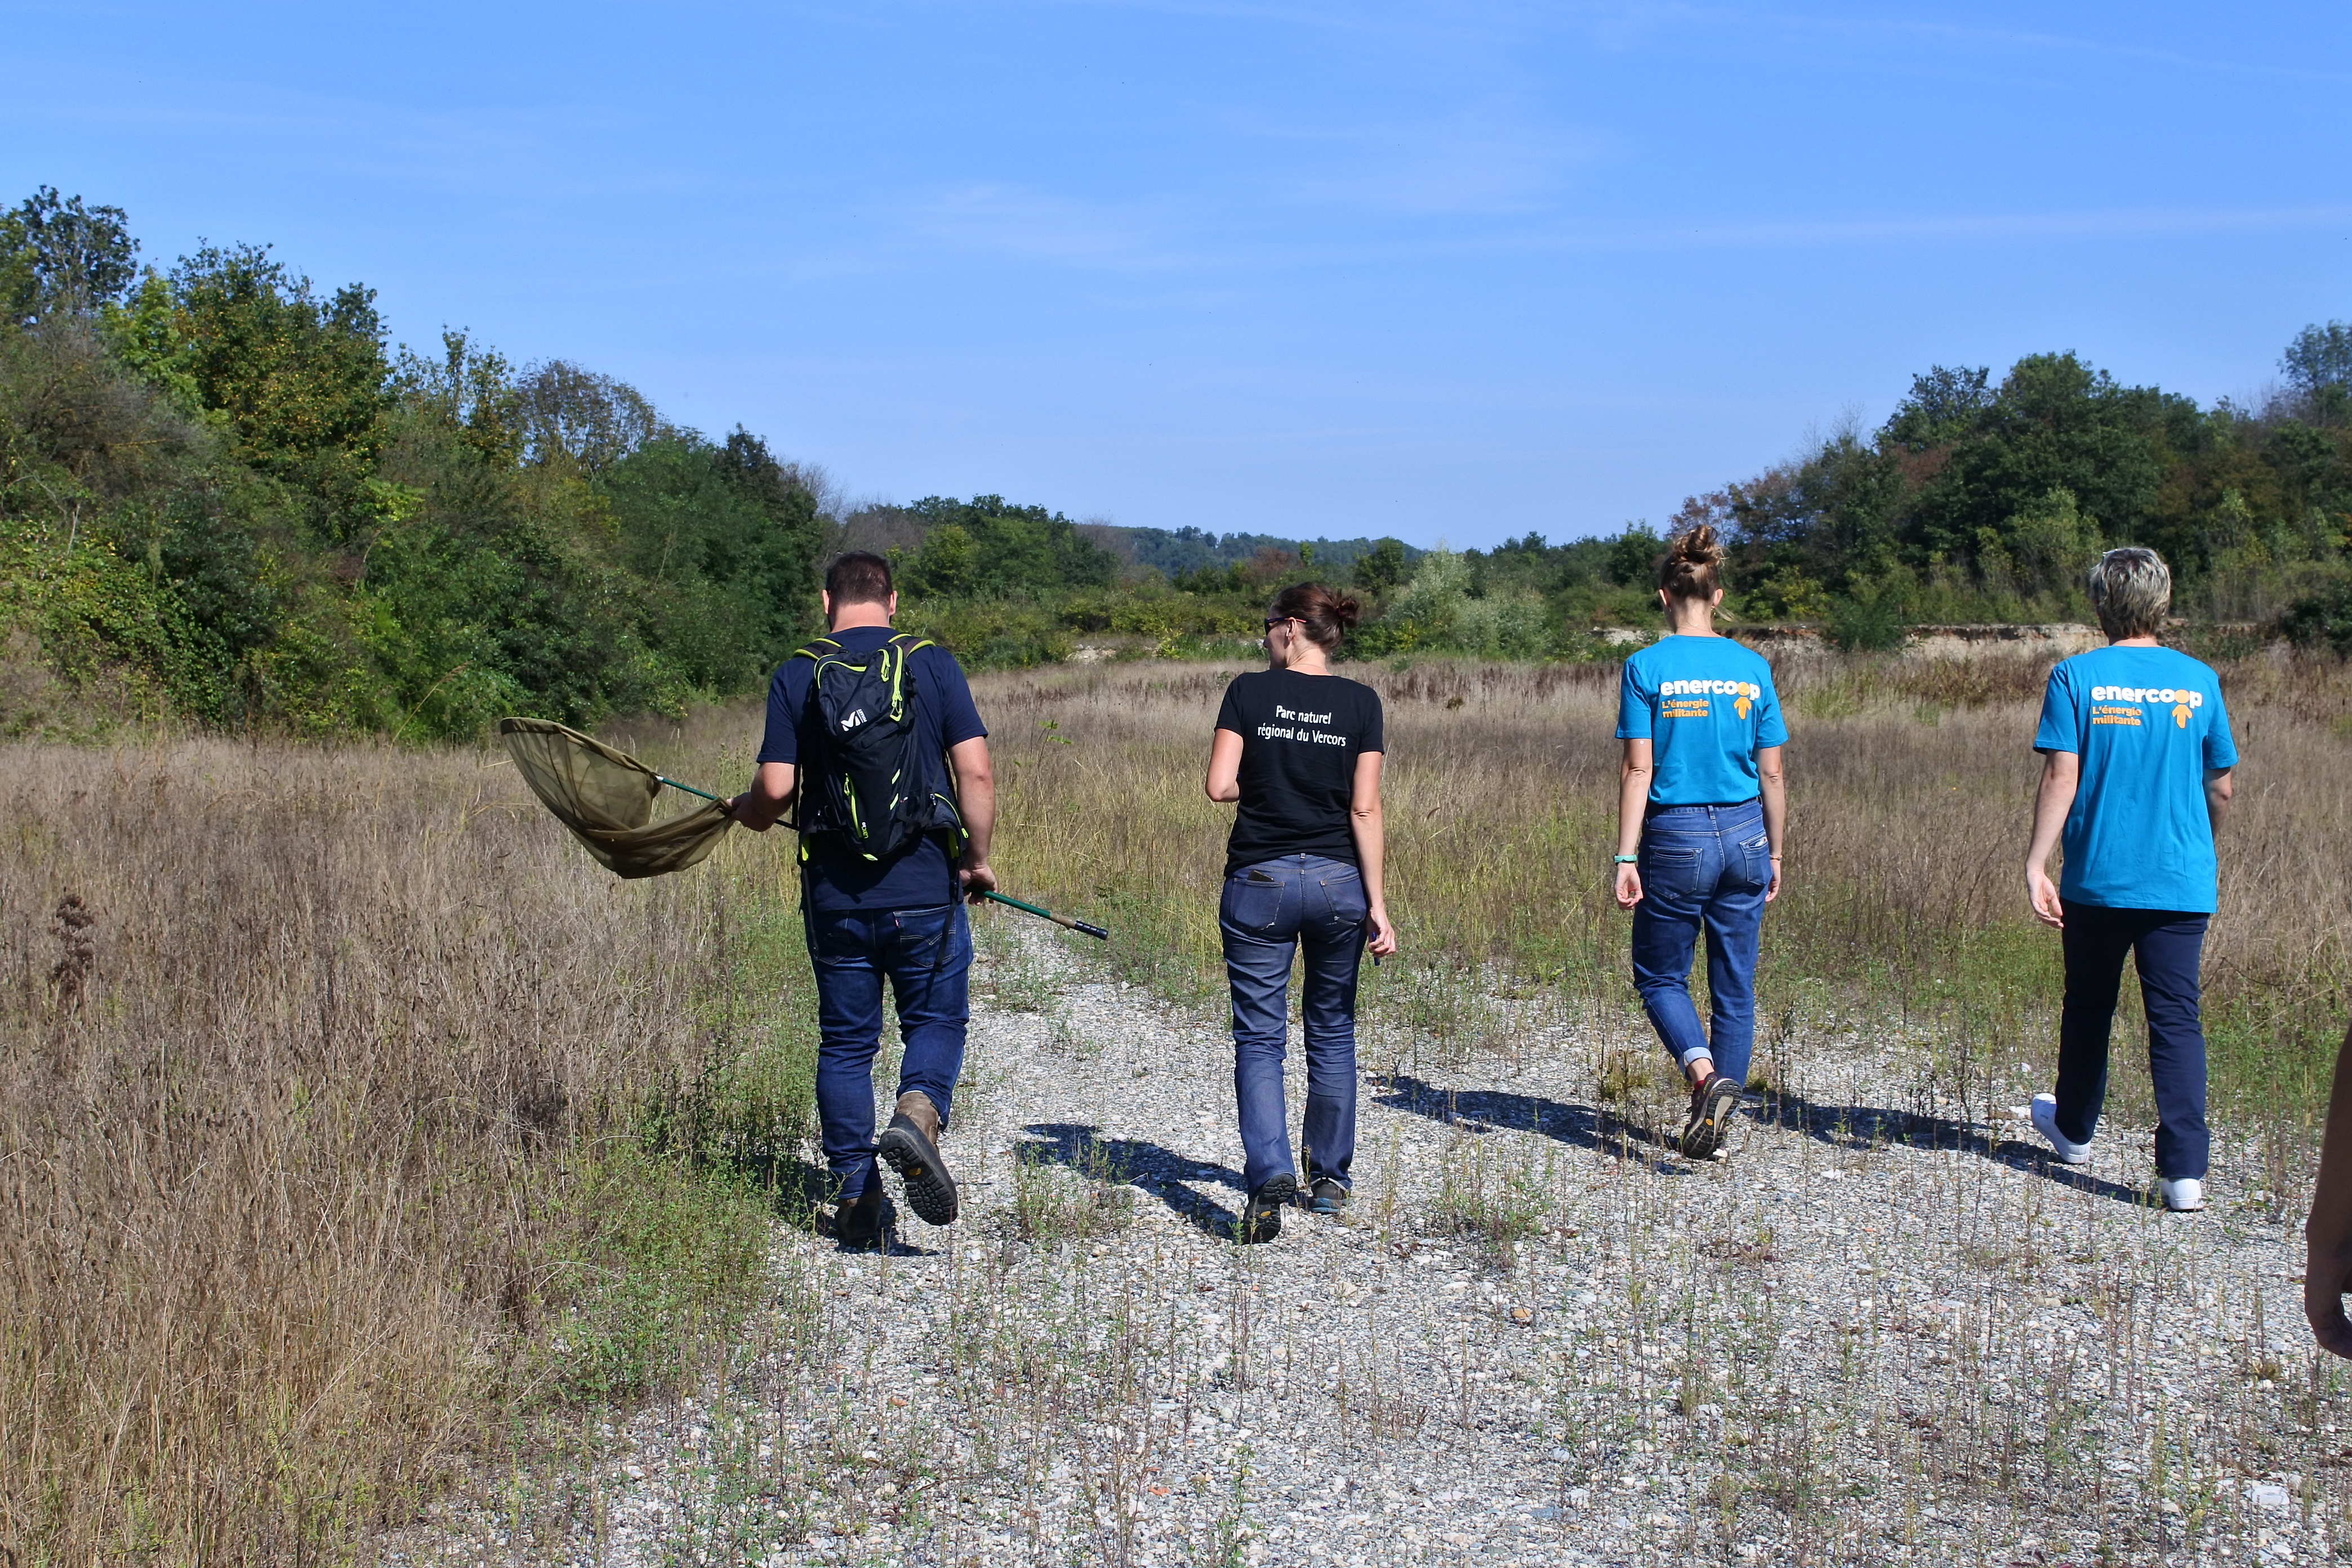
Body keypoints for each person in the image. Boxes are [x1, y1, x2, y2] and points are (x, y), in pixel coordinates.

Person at [727, 551, 997, 1245]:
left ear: (826, 602)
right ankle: (917, 1111)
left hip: (836, 897)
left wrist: (741, 810)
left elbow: (777, 790)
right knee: (936, 1020)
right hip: (924, 889)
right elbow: (977, 773)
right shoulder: (932, 664)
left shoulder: (796, 671)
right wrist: (976, 858)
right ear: (892, 600)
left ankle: (857, 1198)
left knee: (846, 1044)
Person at [2023, 546, 2235, 1213]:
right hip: (2180, 882)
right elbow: (2221, 787)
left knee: (2089, 1005)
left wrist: (2036, 863)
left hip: (2098, 881)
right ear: (2162, 601)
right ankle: (2184, 1174)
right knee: (2176, 1021)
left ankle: (2076, 1129)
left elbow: (2063, 774)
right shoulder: (2200, 679)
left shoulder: (2075, 676)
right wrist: (2200, 846)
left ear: (2100, 605)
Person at [1203, 582, 1397, 1242]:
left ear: (1291, 628)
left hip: (1260, 878)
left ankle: (1268, 1174)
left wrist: (1265, 777)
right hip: (1340, 883)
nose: (1263, 638)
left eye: (1266, 627)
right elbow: (1364, 809)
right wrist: (1378, 904)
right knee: (1332, 1028)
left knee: (1260, 1035)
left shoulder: (1248, 692)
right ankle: (1331, 1179)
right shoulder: (1361, 702)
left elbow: (1218, 786)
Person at [1612, 524, 1787, 1160]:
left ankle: (1705, 1080)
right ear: (1717, 596)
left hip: (1677, 834)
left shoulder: (1646, 666)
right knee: (1734, 985)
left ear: (1664, 597)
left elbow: (1639, 769)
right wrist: (1776, 851)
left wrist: (1627, 855)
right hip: (1745, 832)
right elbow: (1772, 770)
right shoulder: (1752, 666)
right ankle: (1713, 1122)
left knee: (1660, 975)